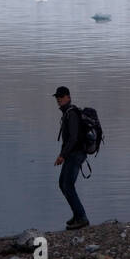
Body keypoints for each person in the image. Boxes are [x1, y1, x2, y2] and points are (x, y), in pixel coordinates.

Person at [53, 86, 89, 230]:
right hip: (72, 154)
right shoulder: (67, 113)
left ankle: (82, 217)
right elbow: (69, 139)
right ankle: (77, 214)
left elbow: (73, 138)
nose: (58, 99)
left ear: (68, 97)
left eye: (61, 96)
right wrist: (63, 154)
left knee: (67, 185)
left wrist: (63, 155)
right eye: (57, 97)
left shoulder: (71, 114)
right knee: (63, 184)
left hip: (76, 154)